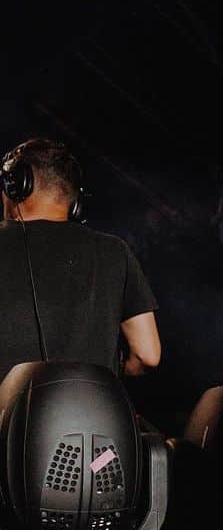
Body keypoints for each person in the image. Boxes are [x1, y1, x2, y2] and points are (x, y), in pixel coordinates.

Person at [0, 138, 160, 382]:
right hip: (95, 415)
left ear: (19, 185)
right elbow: (148, 355)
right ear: (74, 203)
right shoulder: (114, 250)